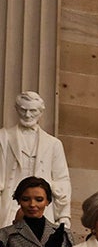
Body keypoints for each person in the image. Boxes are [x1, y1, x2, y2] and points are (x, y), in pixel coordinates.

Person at [0, 91, 72, 228]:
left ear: (40, 112)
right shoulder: (3, 137)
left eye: (32, 110)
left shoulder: (53, 143)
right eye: (23, 110)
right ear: (17, 109)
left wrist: (64, 215)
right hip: (9, 206)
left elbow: (62, 180)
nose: (27, 115)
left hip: (43, 208)